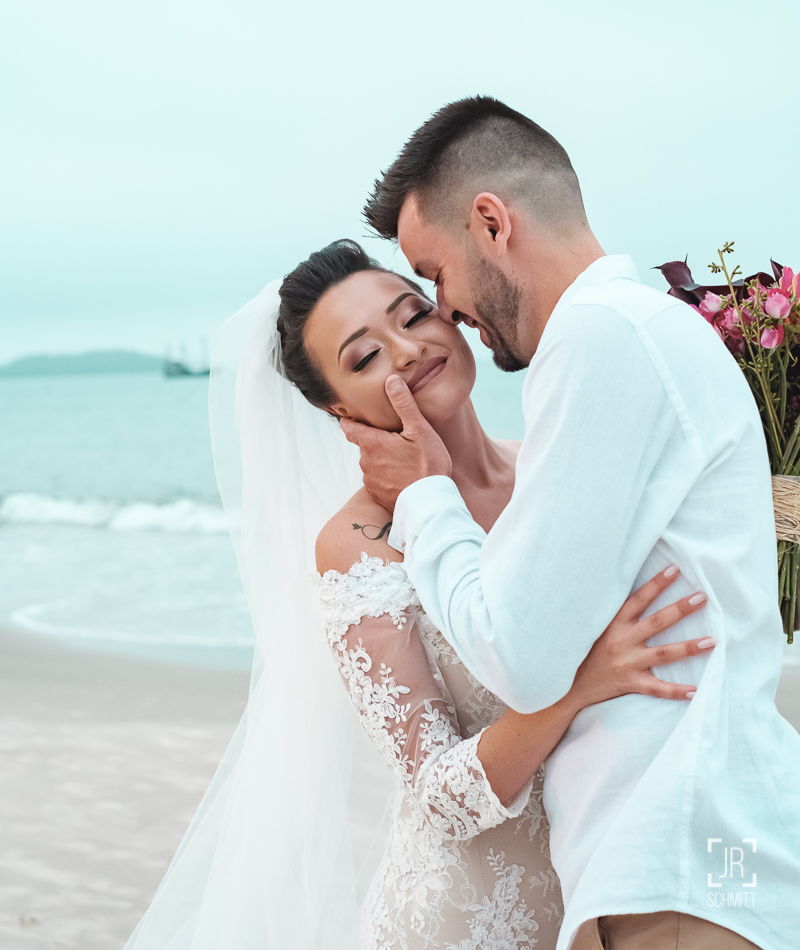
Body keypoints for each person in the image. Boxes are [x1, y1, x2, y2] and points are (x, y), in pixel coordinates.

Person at [124, 240, 710, 950]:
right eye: (365, 357)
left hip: (611, 896)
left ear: (451, 317)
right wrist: (573, 690)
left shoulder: (548, 468)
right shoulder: (359, 546)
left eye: (412, 316)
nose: (407, 351)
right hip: (466, 924)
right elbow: (438, 798)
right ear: (337, 407)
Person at [342, 95, 800, 950]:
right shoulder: (637, 331)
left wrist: (426, 497)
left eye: (434, 274)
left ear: (491, 222)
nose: (446, 310)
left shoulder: (598, 339)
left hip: (678, 863)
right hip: (691, 856)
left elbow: (519, 656)